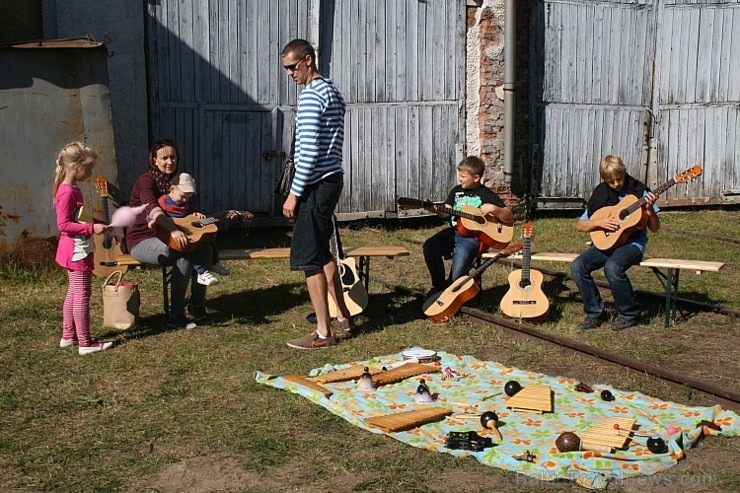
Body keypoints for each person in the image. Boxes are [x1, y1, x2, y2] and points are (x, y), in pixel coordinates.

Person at [280, 38, 353, 350]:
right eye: (285, 69)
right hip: (331, 179)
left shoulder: (312, 96)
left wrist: (294, 194)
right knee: (322, 252)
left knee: (309, 256)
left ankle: (323, 333)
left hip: (317, 183)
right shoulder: (332, 91)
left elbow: (308, 152)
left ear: (308, 60)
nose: (290, 74)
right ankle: (343, 316)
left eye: (293, 67)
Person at [127, 139, 213, 329]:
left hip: (169, 236)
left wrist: (195, 217)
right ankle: (176, 315)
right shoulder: (146, 181)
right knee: (182, 251)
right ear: (154, 160)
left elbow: (183, 214)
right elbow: (153, 210)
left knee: (204, 248)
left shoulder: (177, 181)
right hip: (142, 239)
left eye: (172, 157)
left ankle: (196, 307)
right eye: (164, 158)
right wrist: (173, 231)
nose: (169, 162)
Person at [571, 155, 660, 331]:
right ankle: (594, 313)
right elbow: (580, 225)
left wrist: (649, 211)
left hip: (632, 244)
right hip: (607, 243)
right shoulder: (601, 193)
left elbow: (655, 228)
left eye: (619, 179)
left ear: (624, 173)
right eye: (611, 182)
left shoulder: (639, 191)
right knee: (578, 266)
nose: (616, 184)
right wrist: (598, 223)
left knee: (612, 267)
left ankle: (630, 313)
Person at [53, 142, 114, 355]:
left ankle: (68, 336)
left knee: (73, 293)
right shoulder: (67, 192)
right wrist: (92, 228)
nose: (90, 173)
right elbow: (63, 225)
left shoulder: (73, 189)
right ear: (74, 166)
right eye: (88, 169)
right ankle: (85, 343)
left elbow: (80, 218)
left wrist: (101, 224)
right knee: (82, 295)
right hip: (76, 251)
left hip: (78, 247)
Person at [423, 156, 514, 297]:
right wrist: (435, 210)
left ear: (476, 178)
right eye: (460, 176)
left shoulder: (485, 194)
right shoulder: (456, 191)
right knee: (429, 246)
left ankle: (452, 290)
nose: (460, 179)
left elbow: (508, 216)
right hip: (453, 232)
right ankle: (438, 286)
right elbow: (445, 211)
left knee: (462, 254)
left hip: (472, 237)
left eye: (463, 177)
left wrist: (494, 209)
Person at [157, 172, 229, 287]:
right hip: (174, 235)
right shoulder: (163, 202)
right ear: (172, 189)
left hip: (186, 229)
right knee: (195, 245)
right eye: (183, 196)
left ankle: (214, 262)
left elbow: (185, 217)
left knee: (208, 236)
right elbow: (157, 217)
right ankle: (202, 272)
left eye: (188, 197)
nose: (185, 200)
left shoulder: (182, 203)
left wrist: (194, 215)